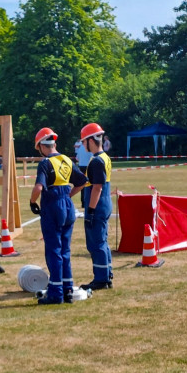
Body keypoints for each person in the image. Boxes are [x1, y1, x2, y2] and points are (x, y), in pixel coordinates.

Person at [29, 127, 87, 305]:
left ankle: (56, 293)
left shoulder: (45, 163)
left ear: (41, 146)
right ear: (54, 143)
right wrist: (68, 196)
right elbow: (82, 182)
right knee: (65, 250)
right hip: (68, 206)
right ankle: (68, 289)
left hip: (52, 206)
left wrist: (32, 202)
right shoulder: (67, 160)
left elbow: (39, 187)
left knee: (53, 250)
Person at [78, 122, 113, 290]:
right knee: (102, 241)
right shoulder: (104, 157)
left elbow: (97, 187)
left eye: (83, 141)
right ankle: (107, 273)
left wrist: (90, 211)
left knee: (95, 243)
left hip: (98, 205)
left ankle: (101, 279)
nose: (82, 144)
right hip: (105, 203)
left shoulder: (96, 161)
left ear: (90, 140)